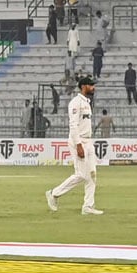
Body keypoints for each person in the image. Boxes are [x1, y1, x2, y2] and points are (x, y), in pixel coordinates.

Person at [45, 76, 104, 215]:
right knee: (81, 175)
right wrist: (78, 145)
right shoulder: (75, 102)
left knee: (92, 174)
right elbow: (73, 125)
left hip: (88, 141)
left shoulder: (87, 102)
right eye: (91, 85)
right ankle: (54, 193)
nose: (94, 88)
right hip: (79, 141)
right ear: (84, 86)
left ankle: (88, 206)